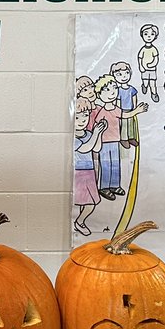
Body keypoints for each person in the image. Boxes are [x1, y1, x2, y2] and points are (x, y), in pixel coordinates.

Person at [90, 74, 147, 200]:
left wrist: (137, 111)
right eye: (108, 90)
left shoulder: (115, 109)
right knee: (105, 164)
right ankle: (104, 187)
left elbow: (125, 115)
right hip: (104, 143)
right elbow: (97, 126)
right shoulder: (102, 112)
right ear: (100, 95)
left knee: (115, 163)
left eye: (114, 88)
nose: (112, 93)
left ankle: (114, 185)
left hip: (115, 141)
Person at [72, 101, 108, 236]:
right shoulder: (73, 137)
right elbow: (85, 148)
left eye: (85, 116)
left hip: (90, 171)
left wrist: (99, 133)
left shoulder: (88, 133)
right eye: (77, 117)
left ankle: (80, 221)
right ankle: (79, 222)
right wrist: (95, 133)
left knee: (88, 201)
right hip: (79, 173)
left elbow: (96, 148)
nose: (82, 120)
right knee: (90, 203)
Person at [137, 23, 160, 103]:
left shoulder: (154, 49)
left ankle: (154, 94)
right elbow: (140, 58)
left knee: (153, 83)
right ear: (142, 35)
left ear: (155, 36)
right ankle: (144, 86)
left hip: (152, 70)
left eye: (152, 34)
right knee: (146, 81)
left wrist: (152, 64)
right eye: (146, 34)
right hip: (145, 70)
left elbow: (156, 59)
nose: (149, 36)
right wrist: (141, 66)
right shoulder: (143, 49)